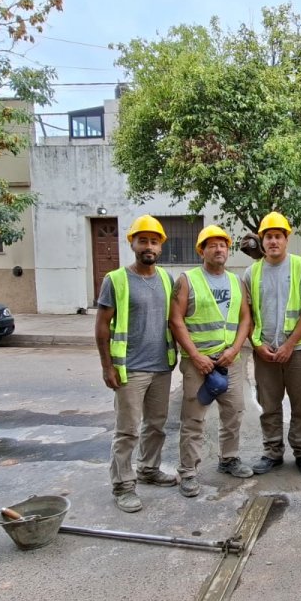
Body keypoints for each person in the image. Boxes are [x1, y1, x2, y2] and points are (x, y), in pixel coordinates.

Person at [95, 215, 179, 513]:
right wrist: (108, 366)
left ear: (160, 247)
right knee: (128, 430)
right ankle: (122, 484)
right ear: (132, 243)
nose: (149, 246)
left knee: (156, 425)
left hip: (161, 366)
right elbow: (103, 325)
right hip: (129, 368)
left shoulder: (166, 280)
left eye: (154, 242)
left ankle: (148, 469)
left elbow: (173, 322)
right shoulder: (115, 279)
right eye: (143, 240)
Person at [169, 225, 255, 497]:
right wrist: (196, 355)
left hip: (230, 360)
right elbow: (176, 320)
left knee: (235, 412)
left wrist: (236, 348)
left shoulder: (235, 281)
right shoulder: (187, 279)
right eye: (212, 245)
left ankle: (228, 459)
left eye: (223, 245)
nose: (219, 249)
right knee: (193, 418)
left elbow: (245, 319)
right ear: (201, 250)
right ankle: (189, 472)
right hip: (199, 363)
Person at [243, 212, 301, 476]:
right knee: (269, 404)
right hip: (264, 351)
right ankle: (272, 452)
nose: (273, 241)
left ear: (286, 239)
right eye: (268, 237)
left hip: (297, 350)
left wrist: (289, 344)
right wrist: (256, 344)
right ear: (261, 241)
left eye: (278, 236)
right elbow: (247, 315)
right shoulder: (251, 272)